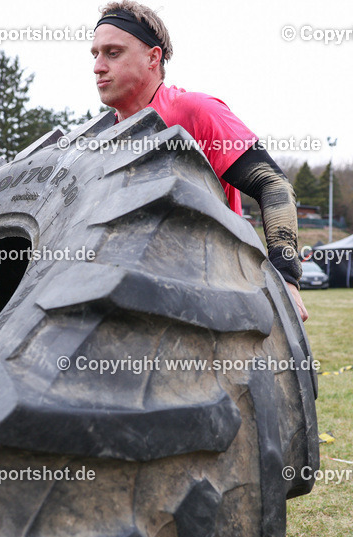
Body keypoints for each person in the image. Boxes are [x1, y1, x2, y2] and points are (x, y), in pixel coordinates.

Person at [91, 2, 307, 321]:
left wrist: (286, 280)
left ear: (153, 58)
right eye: (94, 54)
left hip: (213, 296)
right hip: (129, 300)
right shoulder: (99, 139)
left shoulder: (193, 111)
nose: (98, 66)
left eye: (112, 53)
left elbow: (273, 185)